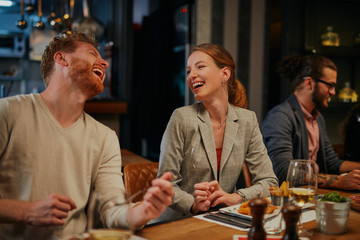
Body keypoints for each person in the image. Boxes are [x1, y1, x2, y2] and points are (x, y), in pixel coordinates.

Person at [0, 32, 174, 239]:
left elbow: (112, 210)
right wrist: (26, 212)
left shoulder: (105, 137)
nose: (105, 63)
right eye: (92, 53)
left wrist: (142, 212)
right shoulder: (8, 112)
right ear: (61, 58)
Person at [152, 43, 278, 223]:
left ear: (224, 74)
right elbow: (167, 185)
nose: (191, 75)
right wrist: (193, 204)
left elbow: (269, 182)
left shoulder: (247, 120)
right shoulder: (181, 118)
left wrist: (237, 197)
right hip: (178, 222)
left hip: (224, 220)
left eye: (200, 66)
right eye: (188, 71)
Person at [261, 54, 360, 191]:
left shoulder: (318, 118)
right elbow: (284, 173)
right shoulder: (280, 117)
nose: (333, 92)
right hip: (287, 200)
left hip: (313, 195)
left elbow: (332, 163)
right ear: (309, 83)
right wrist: (339, 181)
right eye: (330, 85)